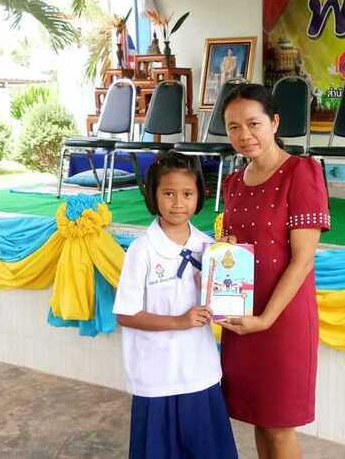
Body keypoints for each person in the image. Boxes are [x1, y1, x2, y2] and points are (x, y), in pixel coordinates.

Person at [217, 84, 330, 458]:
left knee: (280, 428)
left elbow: (303, 260)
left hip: (282, 319)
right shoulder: (234, 182)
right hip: (242, 317)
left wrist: (265, 319)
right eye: (233, 127)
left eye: (254, 124)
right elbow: (236, 249)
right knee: (259, 419)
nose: (244, 135)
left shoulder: (301, 172)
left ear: (275, 122)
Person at [113, 153, 238, 459]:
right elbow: (126, 314)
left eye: (187, 194)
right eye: (169, 193)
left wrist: (229, 266)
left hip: (200, 370)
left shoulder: (208, 246)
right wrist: (178, 321)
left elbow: (225, 305)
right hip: (157, 375)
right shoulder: (142, 249)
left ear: (199, 195)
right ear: (153, 195)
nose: (178, 203)